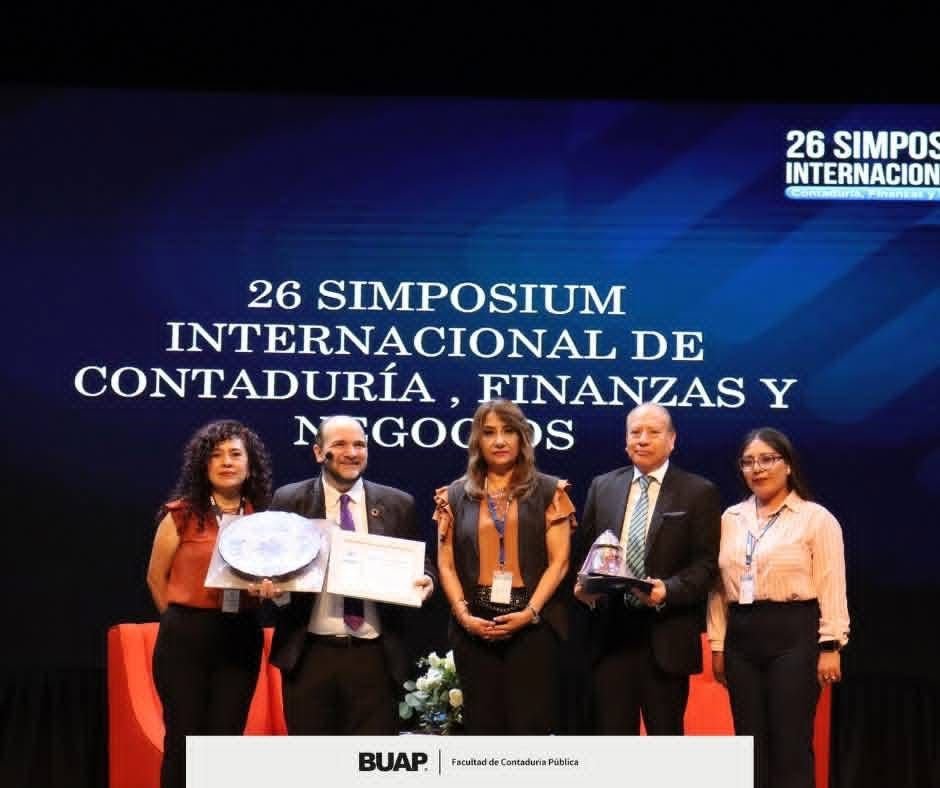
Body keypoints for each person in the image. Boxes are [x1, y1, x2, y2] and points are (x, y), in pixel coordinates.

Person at [256, 415, 435, 734]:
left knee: (370, 759)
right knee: (313, 759)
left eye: (359, 445)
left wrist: (427, 581)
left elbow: (423, 563)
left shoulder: (398, 503)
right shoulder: (289, 500)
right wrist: (272, 587)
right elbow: (271, 566)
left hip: (375, 657)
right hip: (309, 655)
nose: (352, 453)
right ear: (318, 452)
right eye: (339, 444)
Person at [707, 428, 849, 788]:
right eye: (748, 462)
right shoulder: (730, 518)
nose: (757, 468)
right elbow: (718, 588)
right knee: (748, 747)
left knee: (790, 745)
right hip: (741, 637)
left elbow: (832, 584)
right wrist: (718, 644)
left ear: (788, 465)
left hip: (794, 634)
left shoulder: (816, 518)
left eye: (767, 459)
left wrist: (831, 645)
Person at [573, 402, 720, 734]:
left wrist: (669, 590)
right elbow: (585, 552)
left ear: (672, 440)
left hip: (665, 631)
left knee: (665, 741)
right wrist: (583, 587)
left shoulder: (698, 491)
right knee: (612, 739)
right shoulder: (602, 486)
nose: (642, 439)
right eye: (635, 432)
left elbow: (707, 564)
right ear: (625, 440)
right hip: (611, 634)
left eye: (653, 432)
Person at [146, 419, 273, 788]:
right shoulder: (181, 513)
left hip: (241, 635)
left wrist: (272, 590)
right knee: (183, 739)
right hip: (185, 637)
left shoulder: (266, 520)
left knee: (225, 740)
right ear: (203, 465)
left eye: (235, 454)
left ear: (250, 464)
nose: (226, 462)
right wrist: (178, 620)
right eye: (216, 455)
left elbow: (280, 579)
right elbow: (156, 577)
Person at [436, 399, 576, 734]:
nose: (499, 441)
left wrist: (530, 612)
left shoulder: (549, 491)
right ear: (477, 441)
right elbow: (446, 563)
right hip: (475, 627)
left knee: (530, 726)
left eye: (508, 431)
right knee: (482, 727)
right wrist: (464, 616)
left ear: (522, 437)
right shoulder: (454, 495)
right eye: (489, 433)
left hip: (533, 626)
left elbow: (559, 563)